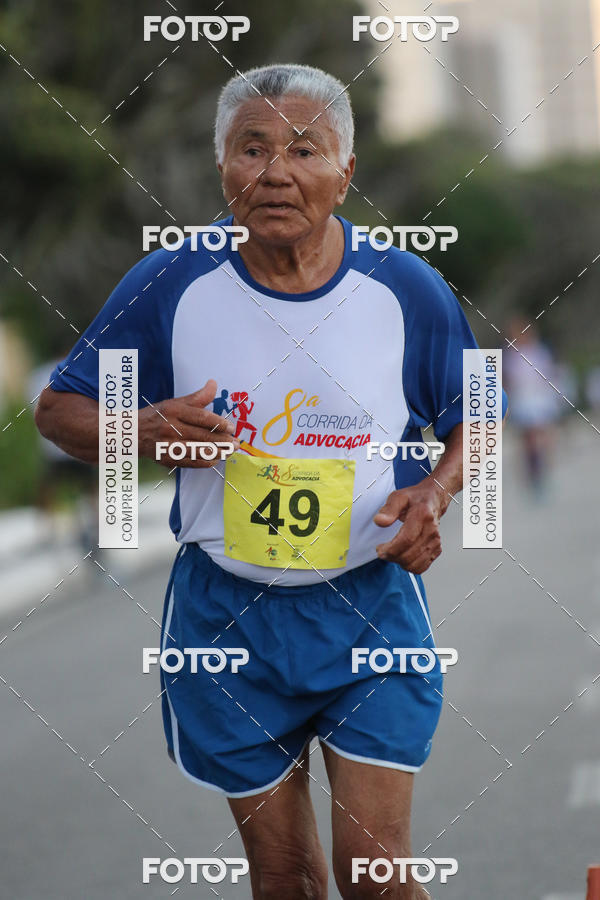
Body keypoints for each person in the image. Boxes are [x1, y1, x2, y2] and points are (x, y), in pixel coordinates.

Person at [35, 64, 506, 900]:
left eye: (304, 150)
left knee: (374, 875)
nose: (276, 172)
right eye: (252, 149)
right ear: (222, 165)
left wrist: (434, 492)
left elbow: (479, 412)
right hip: (224, 616)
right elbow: (60, 411)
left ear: (346, 171)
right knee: (285, 879)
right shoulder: (169, 284)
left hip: (369, 608)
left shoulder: (403, 288)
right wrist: (142, 428)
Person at [504, 318, 560, 498]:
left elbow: (549, 376)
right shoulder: (511, 356)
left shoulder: (540, 352)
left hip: (539, 400)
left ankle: (544, 473)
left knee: (543, 439)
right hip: (523, 401)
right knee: (528, 442)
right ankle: (532, 476)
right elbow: (508, 383)